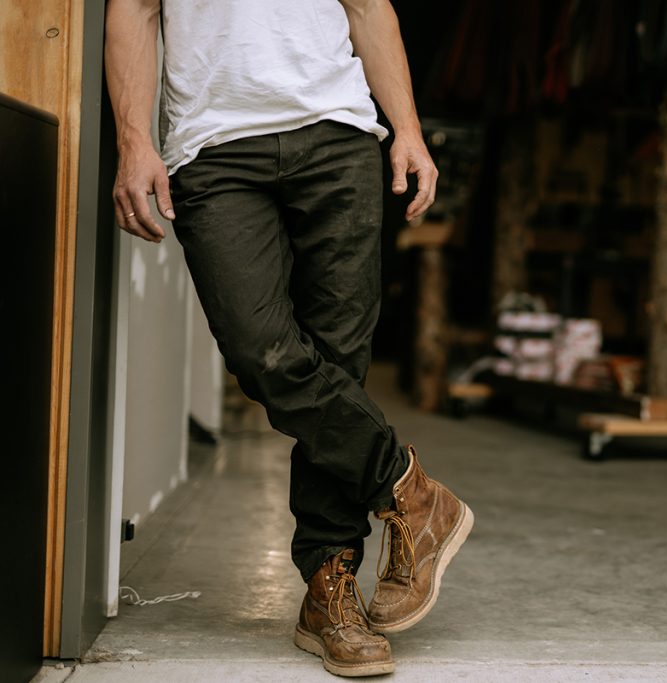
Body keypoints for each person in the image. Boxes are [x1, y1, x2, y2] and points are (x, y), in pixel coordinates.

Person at [104, 0, 473, 677]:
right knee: (262, 350)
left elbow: (367, 7)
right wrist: (134, 141)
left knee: (338, 363)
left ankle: (329, 588)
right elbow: (134, 9)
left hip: (337, 134)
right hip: (212, 149)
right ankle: (409, 488)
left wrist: (409, 131)